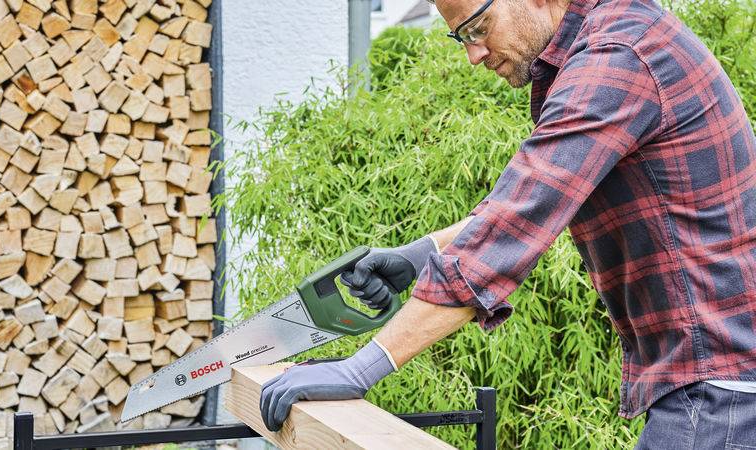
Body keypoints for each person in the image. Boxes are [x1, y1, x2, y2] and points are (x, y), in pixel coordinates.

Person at [259, 0, 756, 446]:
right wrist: (416, 258)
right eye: (462, 38)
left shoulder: (617, 60)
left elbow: (513, 225)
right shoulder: (613, 39)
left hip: (719, 386)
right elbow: (531, 207)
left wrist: (359, 369)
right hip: (719, 376)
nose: (473, 55)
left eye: (478, 28)